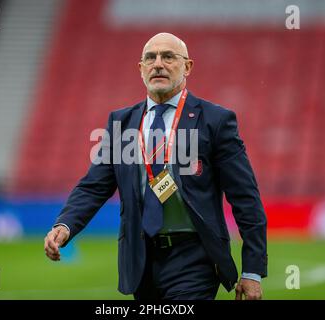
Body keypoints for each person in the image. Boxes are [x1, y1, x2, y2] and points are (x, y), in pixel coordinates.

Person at [44, 32, 267, 300]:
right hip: (140, 259)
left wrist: (252, 272)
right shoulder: (122, 122)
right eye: (150, 58)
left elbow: (245, 198)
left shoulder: (215, 121)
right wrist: (65, 225)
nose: (158, 64)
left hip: (195, 258)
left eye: (168, 57)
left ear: (188, 66)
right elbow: (94, 186)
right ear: (141, 69)